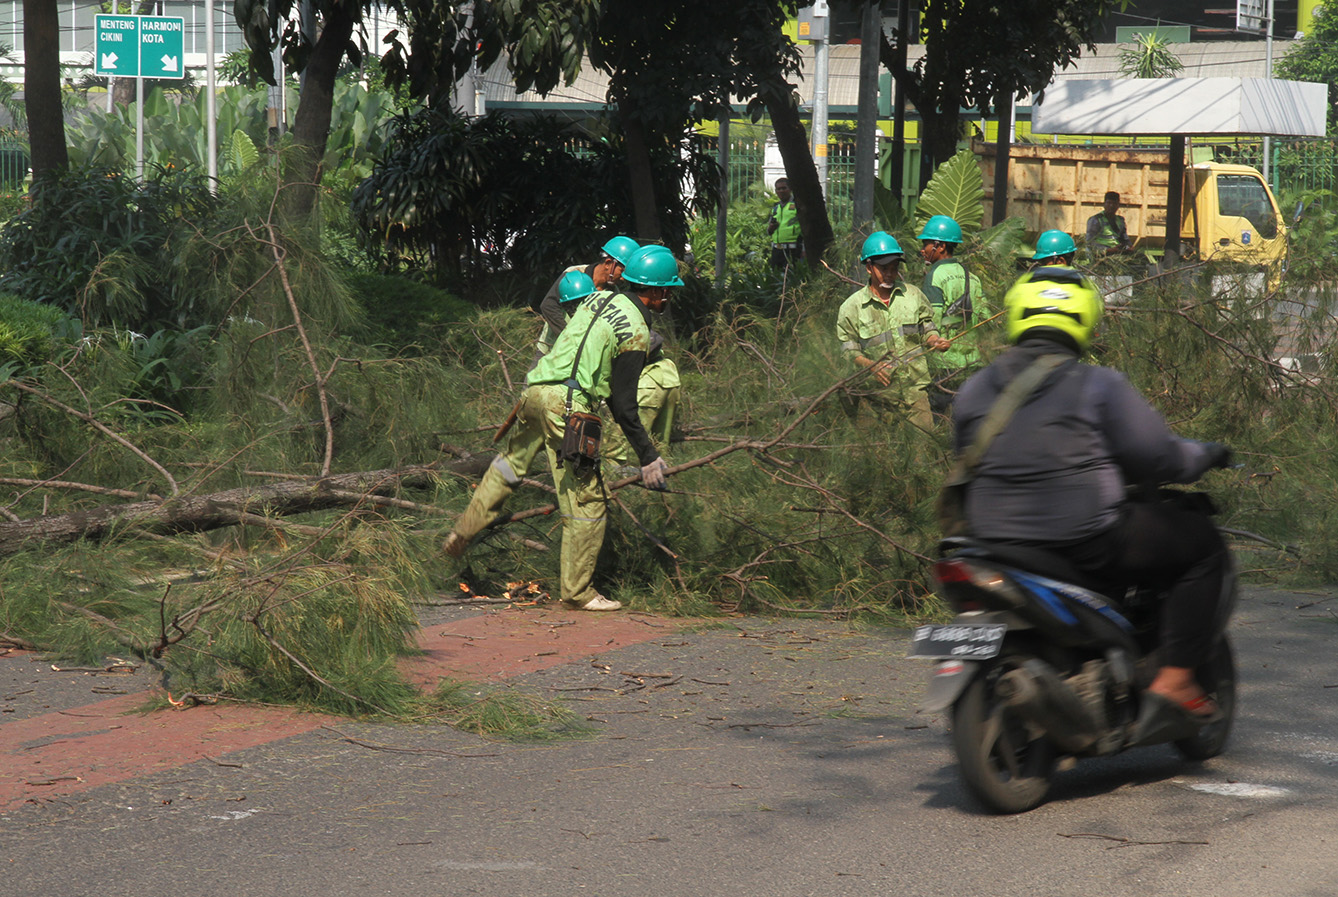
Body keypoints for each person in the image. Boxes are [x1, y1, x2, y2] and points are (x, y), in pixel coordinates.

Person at [951, 266, 1233, 719]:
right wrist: (1206, 454)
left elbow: (966, 454)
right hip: (1085, 540)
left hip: (993, 542)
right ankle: (1176, 677)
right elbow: (1158, 458)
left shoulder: (973, 388)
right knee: (1202, 545)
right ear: (1085, 319)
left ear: (1016, 315)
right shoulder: (1099, 384)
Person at [443, 245, 682, 612]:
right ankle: (578, 592)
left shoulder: (595, 299)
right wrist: (649, 456)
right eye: (669, 292)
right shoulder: (635, 329)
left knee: (509, 465)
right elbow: (623, 405)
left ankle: (464, 530)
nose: (669, 298)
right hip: (569, 408)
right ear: (659, 292)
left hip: (535, 392)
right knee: (587, 499)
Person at [836, 231, 951, 430]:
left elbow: (928, 327)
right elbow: (848, 351)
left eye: (894, 268)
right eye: (884, 268)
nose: (890, 274)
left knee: (922, 453)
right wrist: (871, 365)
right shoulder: (851, 308)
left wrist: (934, 340)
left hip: (915, 392)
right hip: (874, 399)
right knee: (876, 457)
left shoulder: (913, 295)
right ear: (869, 267)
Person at [917, 215, 988, 415]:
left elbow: (932, 321)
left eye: (927, 244)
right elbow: (984, 316)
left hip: (945, 366)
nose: (923, 249)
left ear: (940, 247)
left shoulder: (935, 277)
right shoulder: (971, 276)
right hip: (973, 362)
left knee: (943, 424)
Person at [532, 236, 640, 366]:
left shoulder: (613, 295)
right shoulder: (574, 273)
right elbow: (549, 306)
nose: (623, 279)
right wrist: (572, 339)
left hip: (580, 359)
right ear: (608, 264)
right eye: (621, 271)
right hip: (550, 349)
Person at [602, 331, 681, 469]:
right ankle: (660, 478)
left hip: (646, 386)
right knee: (660, 444)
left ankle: (625, 483)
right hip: (668, 375)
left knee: (617, 450)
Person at [767, 178, 803, 271]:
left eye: (784, 188)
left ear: (790, 189)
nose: (781, 191)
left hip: (793, 250)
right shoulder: (775, 207)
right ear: (776, 191)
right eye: (778, 189)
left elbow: (806, 228)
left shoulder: (797, 205)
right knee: (776, 278)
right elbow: (769, 231)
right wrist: (771, 228)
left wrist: (804, 249)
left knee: (791, 279)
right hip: (777, 250)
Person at [1086, 191, 1131, 256]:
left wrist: (1129, 246)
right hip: (1101, 254)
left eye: (1114, 203)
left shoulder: (1120, 220)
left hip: (1117, 252)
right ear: (1104, 204)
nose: (1111, 206)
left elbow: (1124, 239)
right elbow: (1090, 242)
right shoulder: (1096, 220)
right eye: (1109, 203)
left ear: (1118, 205)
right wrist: (1107, 250)